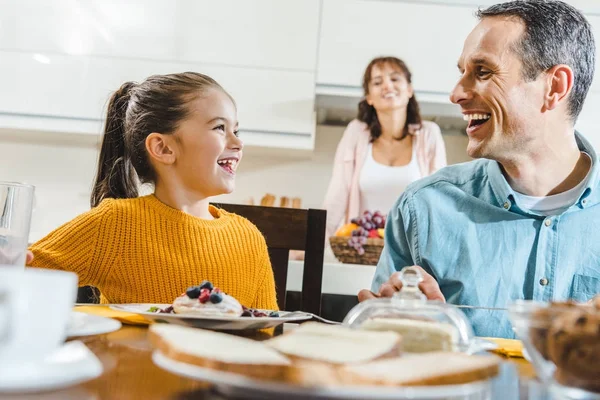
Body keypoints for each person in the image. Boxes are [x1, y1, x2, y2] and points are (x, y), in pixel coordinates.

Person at [359, 0, 600, 338]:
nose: (456, 93)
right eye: (462, 72)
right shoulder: (423, 209)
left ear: (554, 87)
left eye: (482, 72)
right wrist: (405, 334)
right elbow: (381, 360)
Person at [28, 72, 278, 310]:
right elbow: (19, 276)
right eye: (219, 128)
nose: (238, 143)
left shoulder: (249, 237)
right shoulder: (116, 224)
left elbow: (268, 330)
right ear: (163, 148)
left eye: (236, 130)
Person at [323, 57, 447, 239]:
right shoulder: (356, 133)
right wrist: (310, 247)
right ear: (369, 98)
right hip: (362, 251)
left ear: (409, 90)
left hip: (411, 254)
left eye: (395, 79)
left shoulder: (429, 134)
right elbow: (337, 195)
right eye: (377, 82)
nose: (387, 86)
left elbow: (440, 199)